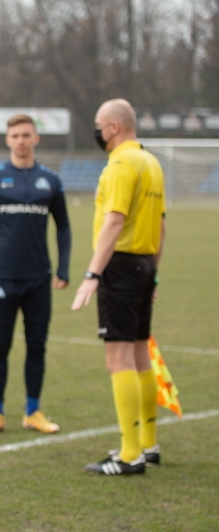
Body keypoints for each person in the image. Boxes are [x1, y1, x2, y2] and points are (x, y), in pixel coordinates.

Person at [71, 98, 166, 476]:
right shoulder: (151, 161)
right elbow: (160, 227)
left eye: (99, 124)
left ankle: (130, 455)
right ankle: (148, 443)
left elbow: (114, 220)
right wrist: (153, 273)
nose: (97, 131)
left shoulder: (121, 164)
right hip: (143, 265)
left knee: (119, 359)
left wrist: (93, 274)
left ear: (113, 127)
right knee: (141, 355)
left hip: (120, 267)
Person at [0, 114, 71, 435]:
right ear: (7, 140)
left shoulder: (50, 181)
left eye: (27, 134)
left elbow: (64, 226)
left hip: (39, 279)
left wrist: (63, 267)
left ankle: (33, 411)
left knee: (37, 346)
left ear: (36, 139)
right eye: (15, 135)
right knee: (0, 344)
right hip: (2, 279)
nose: (21, 140)